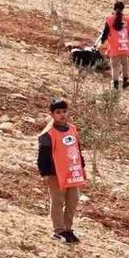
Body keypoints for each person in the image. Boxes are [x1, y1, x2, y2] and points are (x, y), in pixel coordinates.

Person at [37, 98, 86, 244]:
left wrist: (82, 167)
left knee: (73, 199)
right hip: (55, 173)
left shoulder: (72, 129)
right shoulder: (48, 133)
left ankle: (68, 228)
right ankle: (58, 230)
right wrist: (44, 173)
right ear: (52, 114)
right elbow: (43, 155)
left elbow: (77, 150)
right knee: (58, 201)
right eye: (58, 112)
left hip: (72, 171)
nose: (62, 115)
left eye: (64, 111)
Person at [96, 0, 129, 90]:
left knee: (115, 66)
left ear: (114, 8)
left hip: (114, 47)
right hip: (124, 46)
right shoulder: (128, 19)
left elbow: (106, 32)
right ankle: (125, 79)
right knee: (125, 64)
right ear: (123, 9)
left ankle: (115, 82)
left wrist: (102, 41)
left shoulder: (110, 19)